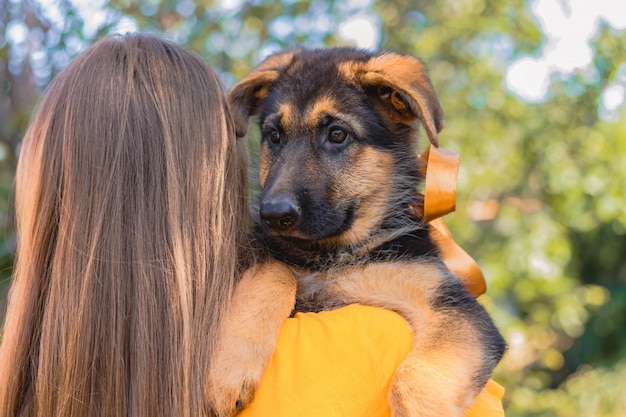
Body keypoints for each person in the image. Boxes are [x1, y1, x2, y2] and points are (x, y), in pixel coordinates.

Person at [0, 33, 503, 417]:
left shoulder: (22, 376)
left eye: (335, 136)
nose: (281, 190)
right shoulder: (368, 345)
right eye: (275, 138)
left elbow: (466, 333)